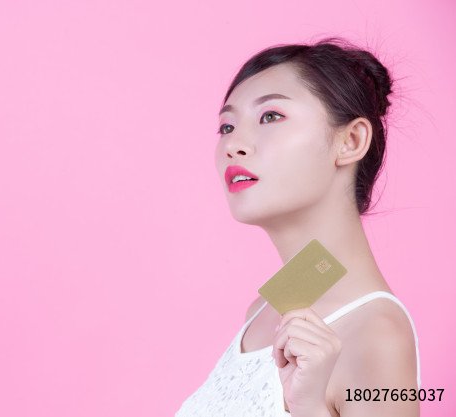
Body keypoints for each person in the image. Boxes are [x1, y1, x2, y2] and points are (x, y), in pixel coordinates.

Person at [174, 37, 421, 417]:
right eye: (226, 126)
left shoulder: (378, 335)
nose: (233, 145)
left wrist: (310, 408)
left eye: (270, 116)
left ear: (351, 141)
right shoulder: (268, 307)